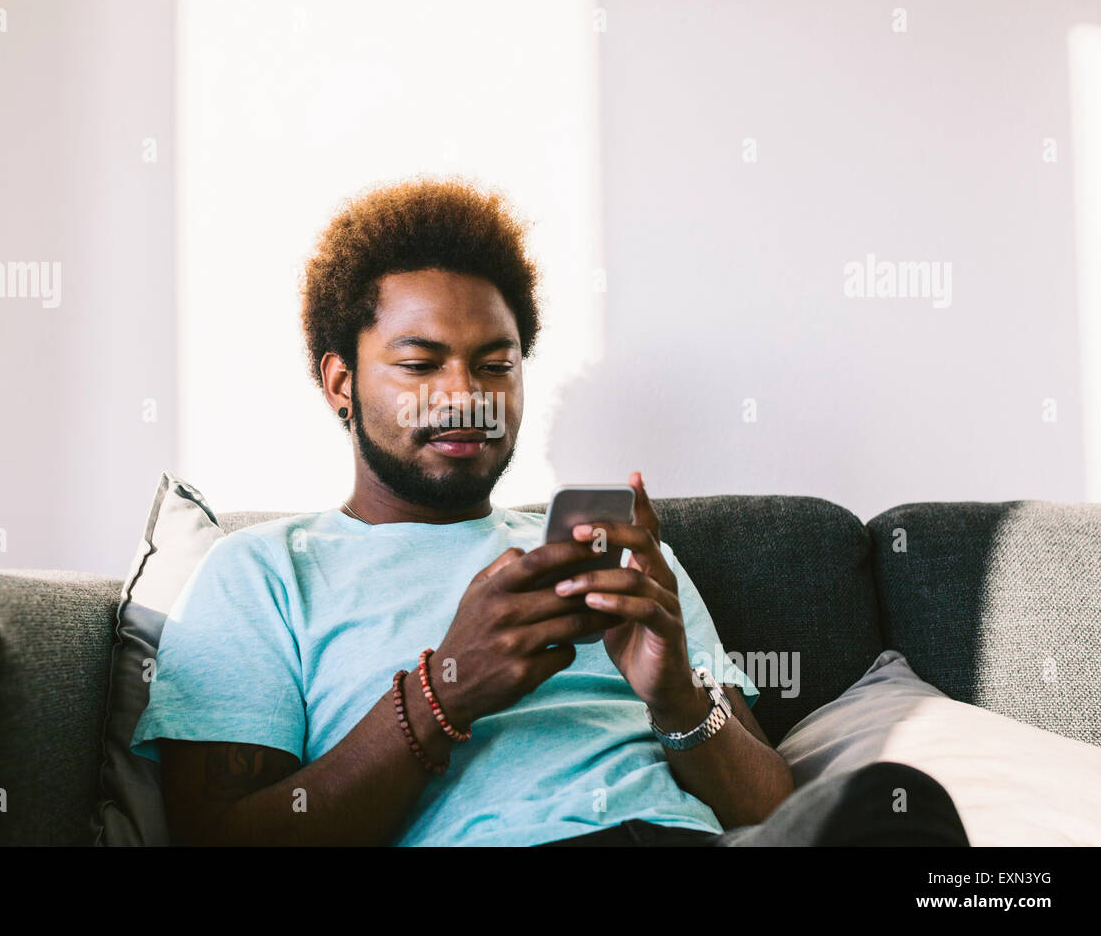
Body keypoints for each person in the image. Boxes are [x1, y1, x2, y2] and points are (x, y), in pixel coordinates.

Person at [129, 176, 967, 847]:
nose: (464, 397)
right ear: (341, 382)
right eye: (420, 364)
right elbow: (224, 835)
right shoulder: (262, 574)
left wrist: (674, 694)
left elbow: (769, 806)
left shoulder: (620, 558)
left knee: (902, 815)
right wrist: (442, 690)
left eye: (495, 364)